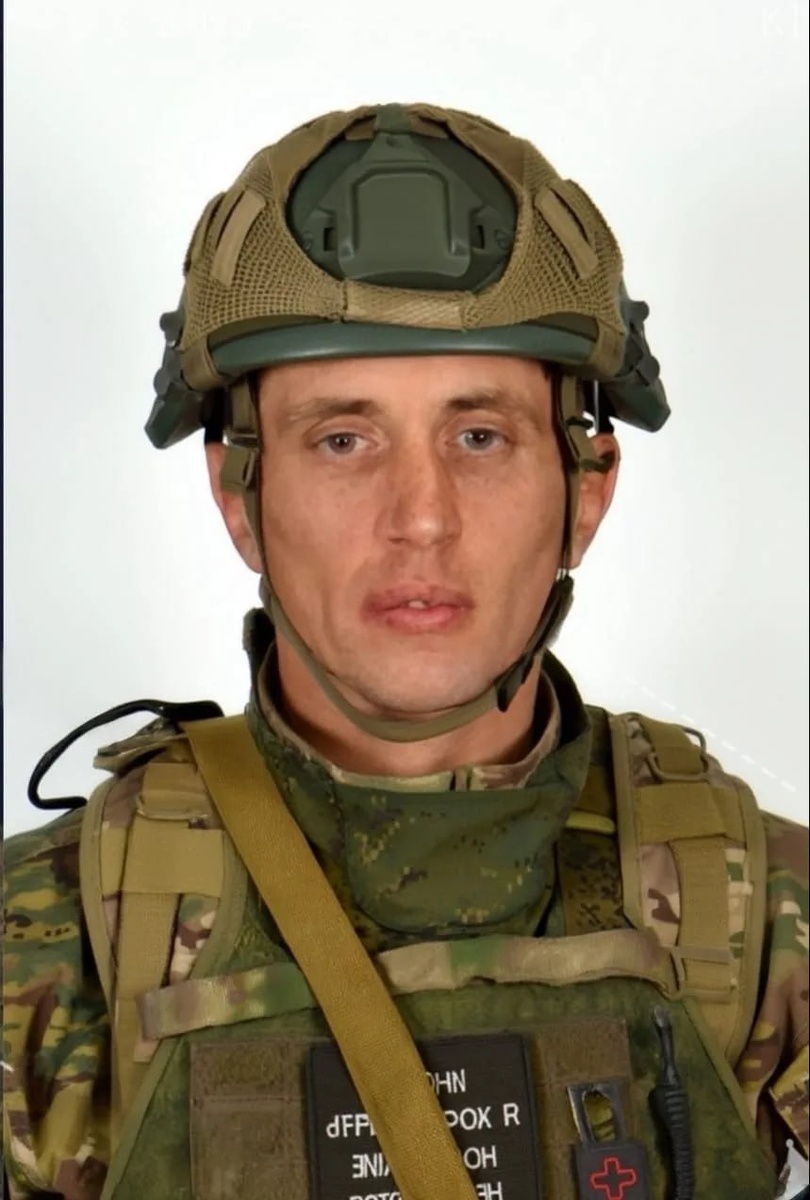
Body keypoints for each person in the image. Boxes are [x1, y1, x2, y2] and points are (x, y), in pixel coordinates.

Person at [3, 102, 807, 1200]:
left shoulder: (764, 923)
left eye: (480, 436)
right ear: (239, 494)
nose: (421, 517)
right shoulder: (47, 949)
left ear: (586, 491)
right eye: (344, 439)